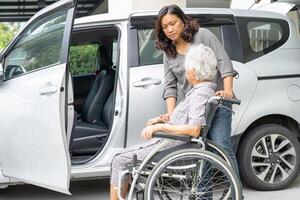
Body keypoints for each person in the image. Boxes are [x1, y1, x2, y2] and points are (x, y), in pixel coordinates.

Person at [110, 44, 218, 200]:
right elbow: (186, 118)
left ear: (194, 70)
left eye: (187, 67)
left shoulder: (199, 94)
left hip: (173, 146)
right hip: (172, 143)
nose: (185, 71)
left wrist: (161, 127)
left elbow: (194, 129)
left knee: (119, 160)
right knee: (122, 157)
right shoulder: (202, 90)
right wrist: (161, 119)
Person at [155, 4, 240, 177]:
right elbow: (170, 86)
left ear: (183, 21)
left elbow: (224, 62)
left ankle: (236, 194)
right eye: (165, 27)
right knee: (201, 149)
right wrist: (171, 114)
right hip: (196, 105)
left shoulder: (202, 35)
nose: (170, 29)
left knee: (221, 144)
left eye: (173, 23)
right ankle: (203, 195)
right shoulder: (168, 51)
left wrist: (228, 91)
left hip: (218, 101)